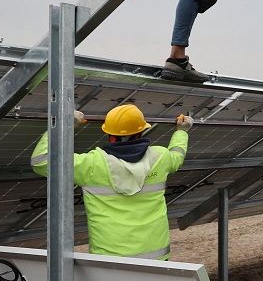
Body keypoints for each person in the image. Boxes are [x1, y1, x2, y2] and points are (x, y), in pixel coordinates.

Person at [30, 104, 192, 260]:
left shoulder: (92, 164)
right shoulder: (161, 157)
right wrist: (182, 131)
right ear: (141, 131)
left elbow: (41, 161)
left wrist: (65, 124)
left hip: (110, 260)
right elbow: (177, 156)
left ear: (110, 136)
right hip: (156, 256)